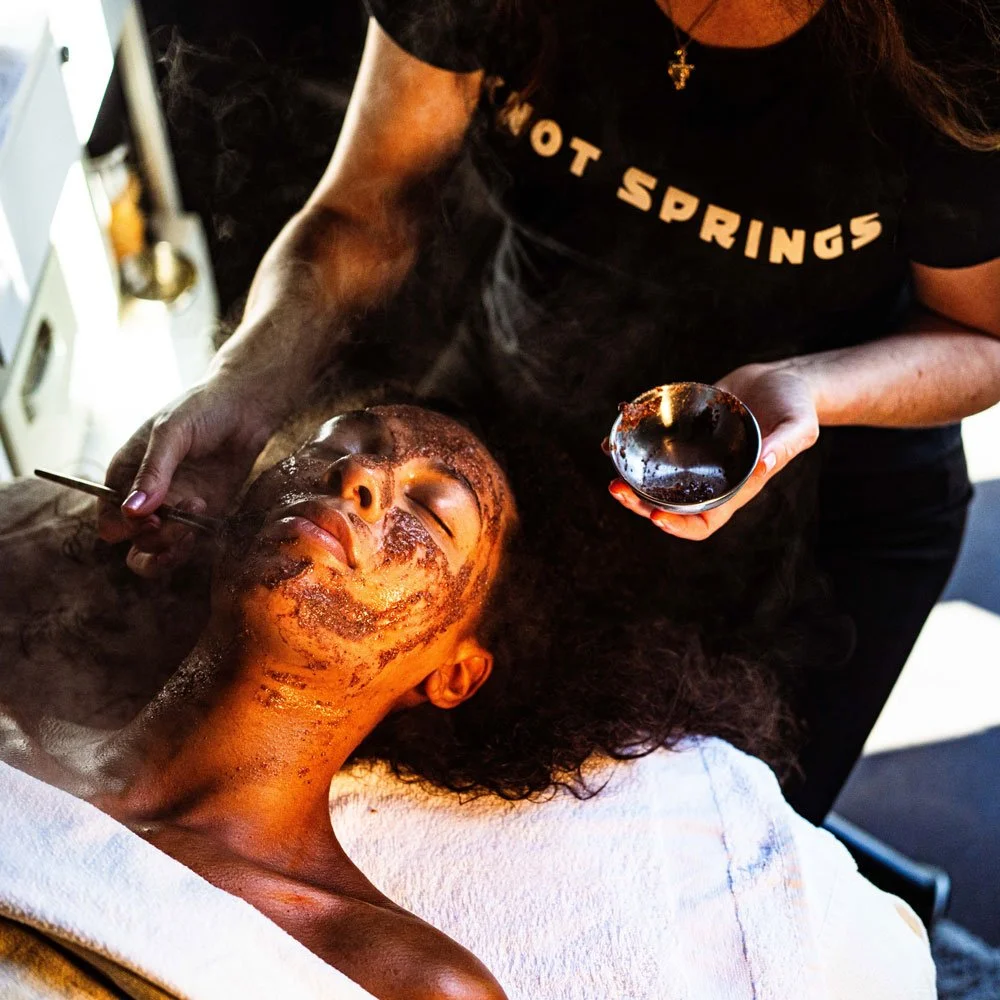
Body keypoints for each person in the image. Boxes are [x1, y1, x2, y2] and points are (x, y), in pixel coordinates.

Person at [99, 0, 1000, 824]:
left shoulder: (959, 40)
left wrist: (807, 387)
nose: (363, 483)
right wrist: (245, 386)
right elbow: (369, 207)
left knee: (710, 839)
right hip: (511, 430)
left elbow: (983, 338)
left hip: (816, 503)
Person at [6, 404, 517, 1000]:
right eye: (334, 444)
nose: (356, 473)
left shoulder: (406, 980)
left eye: (431, 512)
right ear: (234, 514)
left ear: (453, 674)